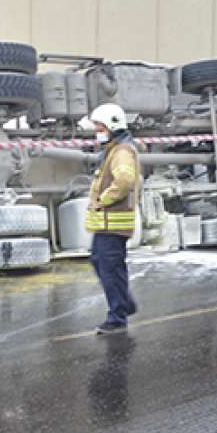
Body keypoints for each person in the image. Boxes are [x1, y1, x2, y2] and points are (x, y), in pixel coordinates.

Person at [85, 103, 141, 335]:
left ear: (111, 127)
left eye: (99, 126)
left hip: (113, 224)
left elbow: (125, 181)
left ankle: (117, 318)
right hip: (106, 225)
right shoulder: (113, 150)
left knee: (110, 269)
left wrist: (102, 200)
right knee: (102, 263)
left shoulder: (121, 152)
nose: (96, 130)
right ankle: (125, 304)